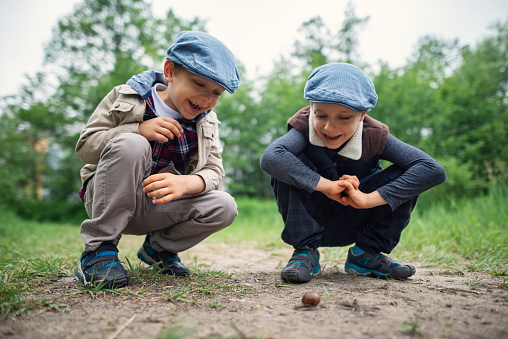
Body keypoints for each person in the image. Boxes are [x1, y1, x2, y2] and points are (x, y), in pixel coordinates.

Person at [75, 31, 241, 288]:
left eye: (217, 92)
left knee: (225, 205)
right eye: (199, 84)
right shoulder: (127, 96)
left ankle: (158, 249)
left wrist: (187, 183)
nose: (207, 99)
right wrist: (136, 130)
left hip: (158, 206)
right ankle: (99, 250)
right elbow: (86, 146)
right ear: (170, 71)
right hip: (108, 198)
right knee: (133, 143)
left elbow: (214, 171)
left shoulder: (206, 121)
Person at [260, 63, 446, 283]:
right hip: (310, 219)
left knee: (410, 172)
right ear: (311, 107)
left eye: (344, 117)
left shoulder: (375, 135)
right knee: (285, 161)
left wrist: (367, 200)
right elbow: (270, 157)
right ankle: (305, 252)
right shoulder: (302, 126)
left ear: (362, 116)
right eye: (320, 115)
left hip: (359, 219)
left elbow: (433, 169)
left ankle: (365, 254)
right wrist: (327, 186)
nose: (329, 127)